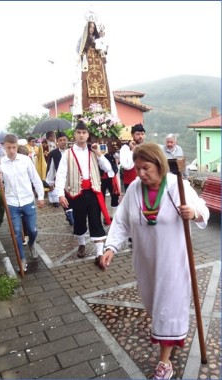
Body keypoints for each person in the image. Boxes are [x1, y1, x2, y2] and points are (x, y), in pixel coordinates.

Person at [99, 142, 210, 379]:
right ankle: (168, 341)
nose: (140, 174)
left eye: (145, 168)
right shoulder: (134, 190)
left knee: (166, 310)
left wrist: (193, 212)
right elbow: (121, 222)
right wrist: (111, 247)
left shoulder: (178, 186)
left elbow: (202, 209)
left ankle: (164, 361)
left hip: (173, 264)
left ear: (159, 165)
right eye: (137, 168)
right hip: (146, 263)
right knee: (154, 306)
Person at [55, 121, 112, 268]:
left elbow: (108, 168)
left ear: (88, 135)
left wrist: (99, 154)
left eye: (84, 132)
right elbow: (61, 175)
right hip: (76, 193)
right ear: (74, 135)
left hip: (93, 192)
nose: (81, 135)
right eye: (79, 132)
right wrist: (60, 194)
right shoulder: (67, 154)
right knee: (79, 221)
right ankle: (81, 244)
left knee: (95, 220)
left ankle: (99, 253)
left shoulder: (94, 151)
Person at [0, 134, 45, 272]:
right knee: (15, 232)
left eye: (14, 147)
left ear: (17, 146)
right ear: (4, 147)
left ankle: (32, 244)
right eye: (9, 148)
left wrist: (41, 196)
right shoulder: (0, 164)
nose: (12, 150)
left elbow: (36, 179)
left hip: (27, 200)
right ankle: (21, 259)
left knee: (32, 230)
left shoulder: (25, 160)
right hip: (12, 203)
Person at [73, 15, 117, 117]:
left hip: (98, 64)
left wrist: (102, 39)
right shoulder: (83, 38)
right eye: (90, 27)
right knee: (87, 85)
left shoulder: (98, 38)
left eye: (93, 27)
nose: (92, 29)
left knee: (102, 85)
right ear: (87, 28)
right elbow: (79, 50)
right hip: (87, 63)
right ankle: (87, 111)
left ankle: (104, 111)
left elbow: (104, 51)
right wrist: (86, 51)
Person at [46, 131, 74, 225]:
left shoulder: (72, 152)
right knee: (65, 200)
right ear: (57, 142)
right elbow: (51, 168)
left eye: (64, 140)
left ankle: (73, 215)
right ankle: (69, 216)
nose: (63, 142)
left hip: (73, 180)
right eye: (60, 140)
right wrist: (50, 182)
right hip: (61, 181)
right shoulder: (53, 153)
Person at [119, 123, 146, 191]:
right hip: (130, 182)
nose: (140, 136)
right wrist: (133, 150)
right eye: (138, 134)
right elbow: (126, 166)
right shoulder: (125, 148)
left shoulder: (146, 147)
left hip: (144, 181)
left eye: (142, 134)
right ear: (132, 135)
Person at [100, 140, 121, 220]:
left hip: (111, 176)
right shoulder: (97, 147)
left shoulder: (113, 150)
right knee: (100, 197)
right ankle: (103, 215)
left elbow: (118, 159)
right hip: (100, 177)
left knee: (115, 195)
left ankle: (113, 215)